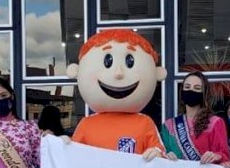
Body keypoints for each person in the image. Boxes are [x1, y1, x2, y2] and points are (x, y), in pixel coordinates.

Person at [66, 28, 167, 160]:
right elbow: (72, 159)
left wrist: (157, 153)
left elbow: (159, 152)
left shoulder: (145, 123)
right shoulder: (86, 125)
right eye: (108, 61)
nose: (119, 73)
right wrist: (61, 147)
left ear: (157, 73)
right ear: (76, 72)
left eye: (130, 62)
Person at [160, 71, 230, 164]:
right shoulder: (169, 126)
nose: (191, 91)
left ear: (204, 93)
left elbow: (225, 156)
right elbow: (161, 156)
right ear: (182, 91)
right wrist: (165, 156)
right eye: (187, 87)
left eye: (197, 88)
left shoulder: (215, 122)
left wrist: (216, 156)